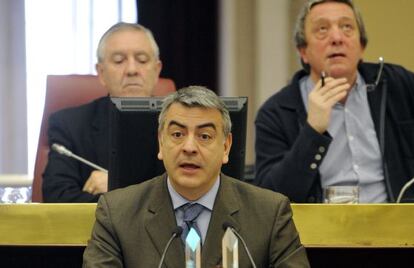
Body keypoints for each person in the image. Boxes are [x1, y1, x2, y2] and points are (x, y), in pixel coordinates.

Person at [83, 86, 310, 267]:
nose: (189, 147)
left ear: (226, 147)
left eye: (204, 136)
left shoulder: (269, 213)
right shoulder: (117, 213)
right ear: (161, 142)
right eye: (178, 134)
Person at [254, 0, 414, 203]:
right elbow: (268, 199)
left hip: (399, 229)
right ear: (303, 51)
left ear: (361, 46)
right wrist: (312, 133)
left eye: (347, 27)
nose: (337, 38)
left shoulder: (398, 85)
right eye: (322, 29)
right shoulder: (276, 112)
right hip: (318, 232)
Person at [42, 22, 162, 202]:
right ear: (101, 73)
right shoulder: (69, 125)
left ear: (157, 70)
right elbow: (56, 196)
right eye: (119, 60)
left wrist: (118, 186)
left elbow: (200, 193)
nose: (131, 70)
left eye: (142, 60)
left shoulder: (185, 123)